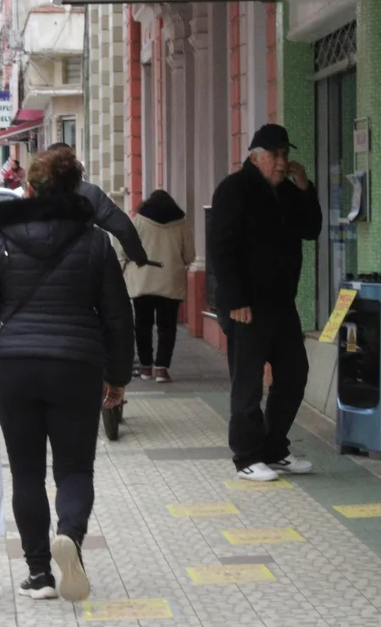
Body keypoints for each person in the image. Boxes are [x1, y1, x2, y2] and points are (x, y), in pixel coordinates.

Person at [0, 147, 134, 603]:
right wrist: (118, 375)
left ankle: (39, 574)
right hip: (77, 366)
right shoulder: (95, 243)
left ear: (28, 188)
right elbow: (118, 317)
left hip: (14, 367)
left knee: (27, 472)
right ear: (76, 189)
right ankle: (68, 534)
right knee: (74, 469)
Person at [208, 123, 322, 482]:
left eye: (286, 155)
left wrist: (305, 188)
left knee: (294, 373)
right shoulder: (234, 189)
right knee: (248, 383)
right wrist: (235, 300)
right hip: (246, 305)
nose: (281, 162)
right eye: (274, 155)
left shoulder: (288, 192)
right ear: (255, 157)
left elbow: (311, 229)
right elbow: (221, 250)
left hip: (280, 303)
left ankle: (274, 448)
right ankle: (246, 455)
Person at [119, 190, 195, 382]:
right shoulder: (181, 223)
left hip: (142, 281)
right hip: (170, 281)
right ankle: (161, 369)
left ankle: (146, 368)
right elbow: (190, 256)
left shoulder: (138, 221)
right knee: (167, 327)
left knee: (142, 326)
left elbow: (124, 247)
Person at [47, 142, 147, 265]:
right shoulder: (89, 192)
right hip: (81, 267)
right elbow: (123, 227)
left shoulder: (38, 191)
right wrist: (137, 256)